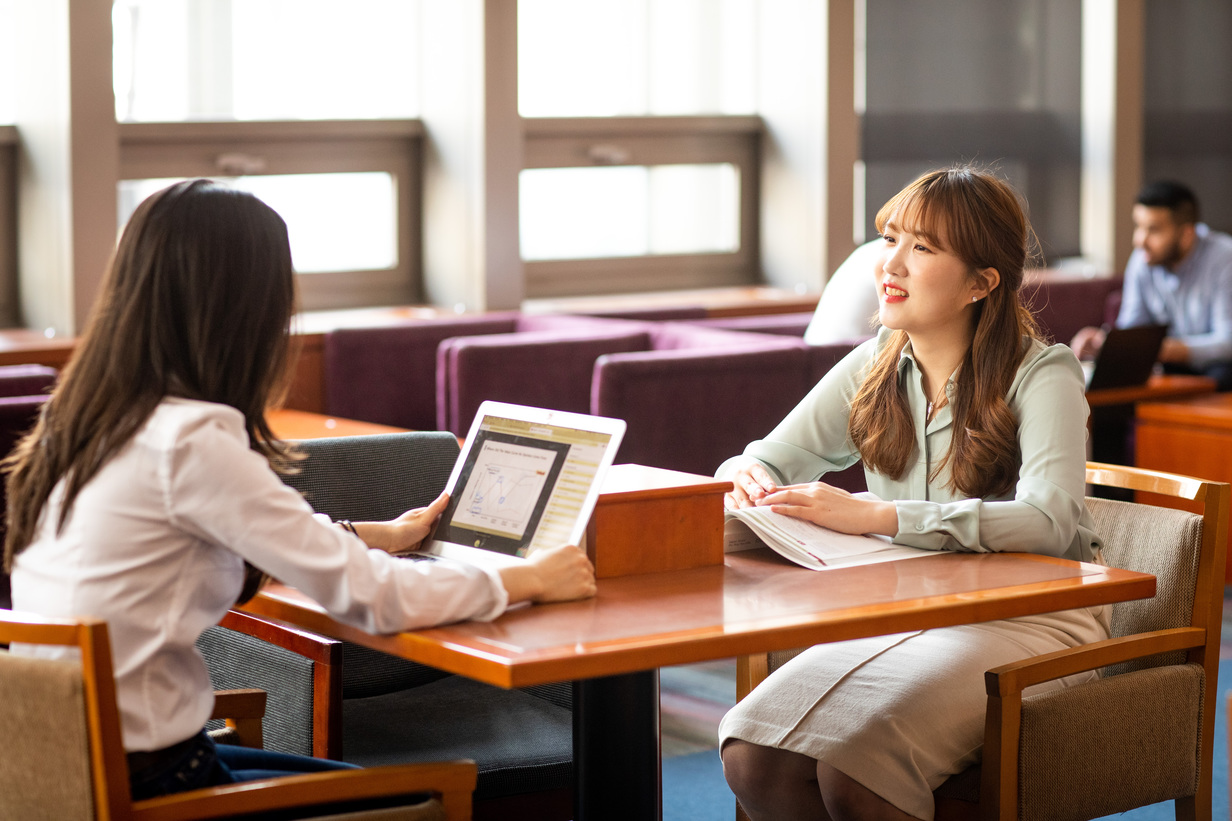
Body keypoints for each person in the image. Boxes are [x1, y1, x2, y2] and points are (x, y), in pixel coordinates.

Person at [3, 179, 596, 801]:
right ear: (245, 307)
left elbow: (228, 540)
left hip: (61, 765)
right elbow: (373, 599)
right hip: (156, 783)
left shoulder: (85, 424)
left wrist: (376, 535)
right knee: (428, 801)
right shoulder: (188, 439)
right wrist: (526, 580)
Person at [718, 166, 1106, 821]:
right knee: (750, 751)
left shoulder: (1045, 375)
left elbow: (1048, 518)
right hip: (909, 614)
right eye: (891, 238)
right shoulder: (876, 363)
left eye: (922, 248)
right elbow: (764, 456)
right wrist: (748, 473)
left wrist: (881, 515)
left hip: (1035, 616)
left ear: (982, 283)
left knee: (856, 772)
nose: (888, 263)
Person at [1071, 180, 1232, 389]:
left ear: (1186, 234)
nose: (1140, 240)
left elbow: (1228, 342)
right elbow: (1132, 327)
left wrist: (1171, 350)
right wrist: (1102, 342)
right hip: (1169, 365)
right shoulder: (1143, 259)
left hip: (1219, 368)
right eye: (1138, 226)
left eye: (1153, 230)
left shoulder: (1225, 260)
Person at [803, 238, 882, 344]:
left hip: (814, 344)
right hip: (845, 351)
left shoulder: (868, 250)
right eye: (890, 239)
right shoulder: (886, 256)